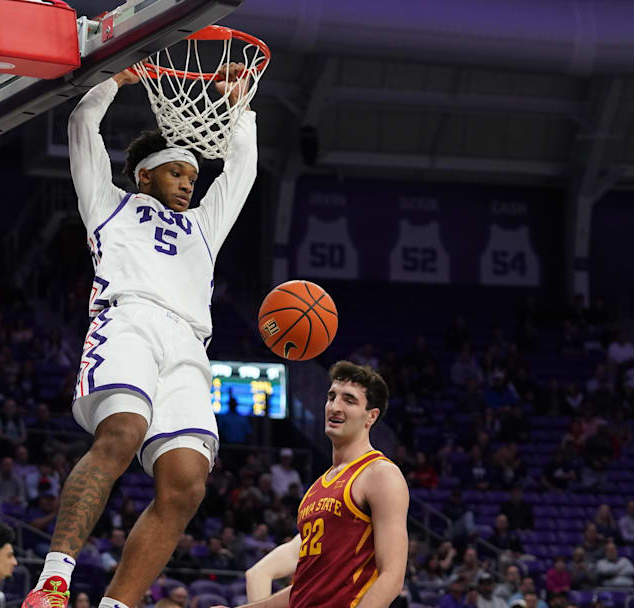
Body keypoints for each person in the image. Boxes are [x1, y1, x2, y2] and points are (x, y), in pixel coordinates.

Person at [21, 60, 258, 608]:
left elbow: (240, 171)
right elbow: (83, 129)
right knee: (122, 433)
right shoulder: (109, 205)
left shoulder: (204, 225)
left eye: (193, 178)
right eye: (178, 173)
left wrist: (240, 107)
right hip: (127, 321)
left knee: (187, 484)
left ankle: (116, 604)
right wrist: (110, 80)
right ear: (146, 173)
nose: (187, 183)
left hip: (189, 346)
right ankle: (54, 581)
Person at [226, 362, 409, 608]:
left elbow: (392, 578)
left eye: (349, 400)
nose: (335, 407)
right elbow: (304, 591)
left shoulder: (380, 474)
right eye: (332, 397)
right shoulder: (317, 487)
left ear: (371, 416)